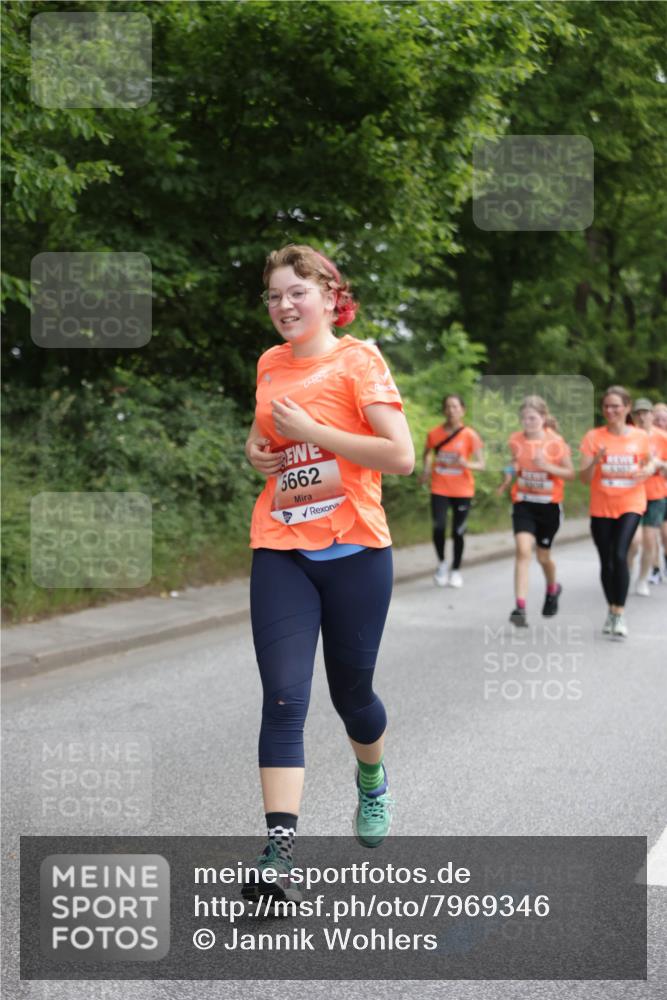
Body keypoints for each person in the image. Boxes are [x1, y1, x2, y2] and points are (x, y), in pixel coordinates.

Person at [242, 244, 414, 905]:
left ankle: (371, 778)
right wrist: (256, 449)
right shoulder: (268, 363)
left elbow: (398, 456)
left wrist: (317, 429)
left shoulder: (358, 359)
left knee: (353, 698)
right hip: (280, 546)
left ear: (328, 295)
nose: (284, 306)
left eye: (296, 293)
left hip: (355, 553)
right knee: (284, 698)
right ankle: (278, 851)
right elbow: (266, 435)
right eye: (274, 296)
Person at [579, 386, 655, 638]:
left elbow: (649, 461)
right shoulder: (593, 437)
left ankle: (620, 613)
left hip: (631, 503)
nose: (610, 411)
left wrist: (648, 469)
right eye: (606, 407)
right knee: (606, 561)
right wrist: (595, 461)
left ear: (627, 407)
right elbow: (584, 478)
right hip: (601, 506)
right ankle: (611, 609)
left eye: (615, 406)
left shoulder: (639, 437)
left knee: (620, 554)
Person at [505, 397, 574, 627]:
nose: (528, 422)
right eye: (524, 418)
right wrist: (509, 473)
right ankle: (520, 607)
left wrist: (547, 466)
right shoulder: (515, 439)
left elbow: (570, 474)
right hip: (523, 503)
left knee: (543, 556)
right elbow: (514, 462)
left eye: (533, 417)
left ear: (543, 419)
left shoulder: (556, 442)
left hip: (549, 507)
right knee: (523, 550)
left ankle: (553, 588)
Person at [420, 395, 484, 587]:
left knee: (458, 531)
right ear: (444, 410)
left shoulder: (470, 435)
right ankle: (442, 564)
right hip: (439, 487)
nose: (451, 410)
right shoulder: (434, 434)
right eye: (448, 407)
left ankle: (456, 570)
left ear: (462, 410)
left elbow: (482, 464)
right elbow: (427, 454)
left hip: (463, 490)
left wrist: (467, 463)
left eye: (455, 407)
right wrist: (425, 470)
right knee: (438, 527)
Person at [627, 399, 667, 595]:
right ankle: (625, 572)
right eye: (638, 414)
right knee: (633, 542)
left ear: (652, 415)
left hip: (655, 495)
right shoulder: (627, 436)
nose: (642, 417)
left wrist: (659, 464)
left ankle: (643, 578)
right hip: (631, 494)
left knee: (650, 540)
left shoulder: (662, 438)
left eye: (646, 413)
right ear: (633, 417)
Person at [650, 401, 667, 582]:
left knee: (664, 534)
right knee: (651, 533)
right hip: (654, 493)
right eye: (658, 419)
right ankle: (655, 568)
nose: (661, 423)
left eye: (664, 419)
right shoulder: (648, 439)